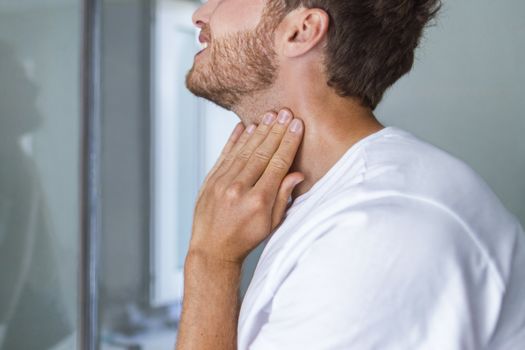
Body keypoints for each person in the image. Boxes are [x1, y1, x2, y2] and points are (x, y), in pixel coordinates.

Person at [176, 1, 525, 349]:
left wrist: (211, 261)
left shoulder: (383, 227)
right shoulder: (340, 205)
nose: (200, 14)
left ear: (302, 31)